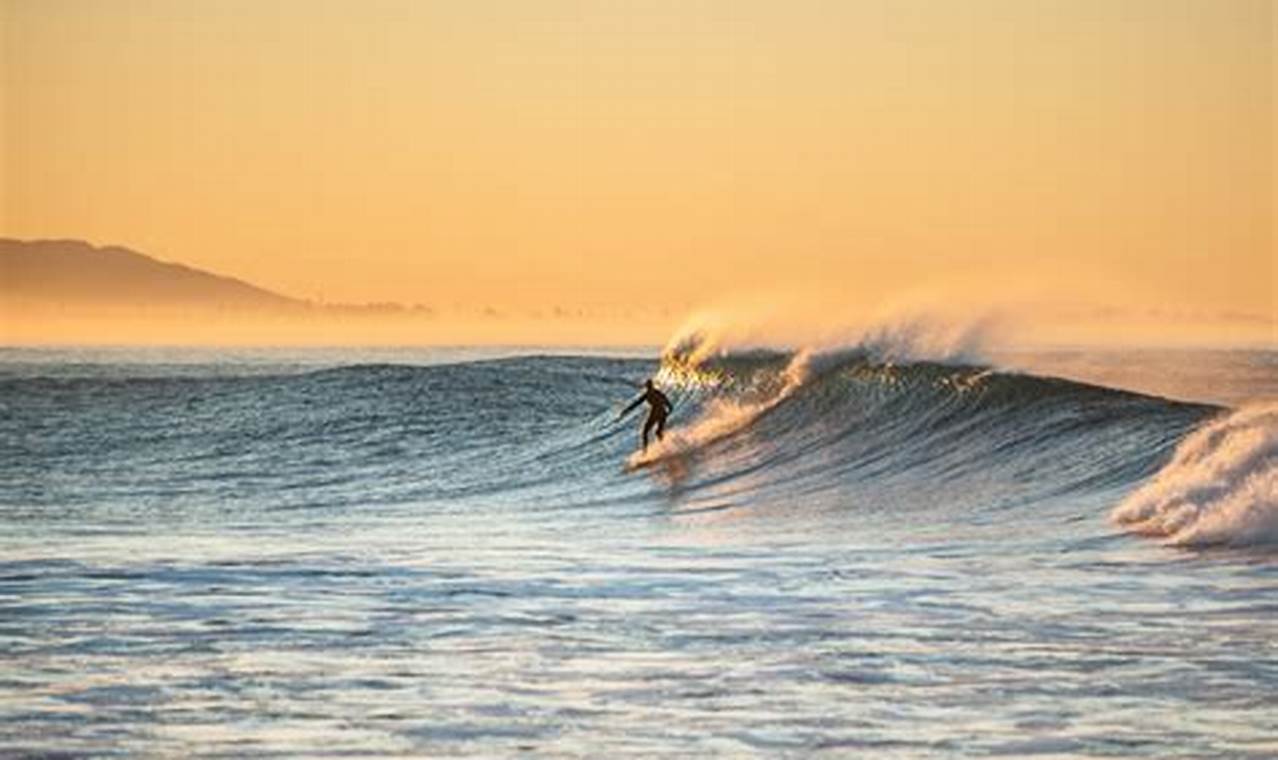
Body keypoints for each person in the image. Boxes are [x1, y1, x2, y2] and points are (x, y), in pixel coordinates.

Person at [618, 379, 673, 452]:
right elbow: (636, 403)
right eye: (648, 386)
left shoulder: (653, 393)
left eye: (649, 386)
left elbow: (666, 401)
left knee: (647, 432)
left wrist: (669, 408)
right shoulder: (651, 394)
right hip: (662, 412)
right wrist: (626, 411)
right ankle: (664, 448)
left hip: (658, 412)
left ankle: (647, 451)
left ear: (651, 386)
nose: (649, 388)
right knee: (657, 432)